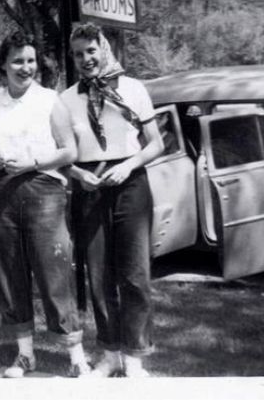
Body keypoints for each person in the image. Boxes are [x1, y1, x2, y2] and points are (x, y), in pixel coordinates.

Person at [0, 31, 89, 378]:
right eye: (17, 60)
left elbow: (69, 151)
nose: (25, 67)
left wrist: (32, 164)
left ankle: (76, 357)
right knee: (11, 276)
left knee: (53, 272)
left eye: (30, 60)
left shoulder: (49, 100)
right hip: (2, 194)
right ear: (3, 64)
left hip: (44, 189)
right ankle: (25, 356)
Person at [60, 23, 163, 378]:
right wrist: (77, 175)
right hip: (89, 186)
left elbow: (156, 143)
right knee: (99, 277)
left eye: (91, 50)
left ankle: (135, 356)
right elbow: (59, 153)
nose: (86, 59)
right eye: (78, 54)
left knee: (134, 274)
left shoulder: (133, 89)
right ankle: (109, 353)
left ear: (103, 48)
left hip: (130, 183)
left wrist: (128, 166)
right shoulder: (67, 98)